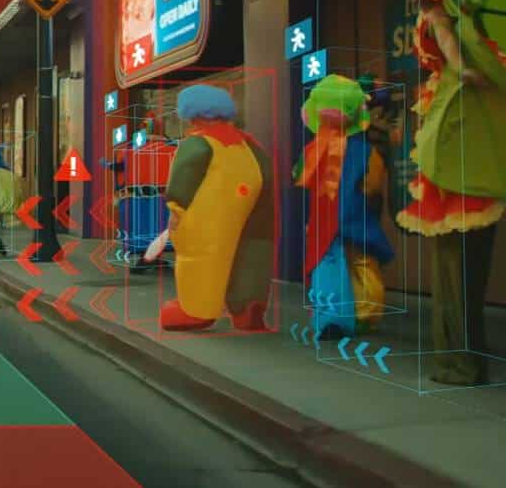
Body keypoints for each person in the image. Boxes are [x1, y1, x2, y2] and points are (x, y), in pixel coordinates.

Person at [374, 0, 506, 385]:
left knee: (456, 267)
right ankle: (461, 356)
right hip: (466, 143)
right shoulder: (467, 24)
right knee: (463, 266)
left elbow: (447, 43)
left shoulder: (447, 18)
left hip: (457, 148)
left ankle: (460, 360)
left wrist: (461, 69)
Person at [159, 84, 273, 331]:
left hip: (211, 211)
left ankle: (196, 310)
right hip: (254, 204)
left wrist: (175, 210)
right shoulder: (249, 145)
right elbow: (267, 175)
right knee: (250, 252)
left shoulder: (198, 143)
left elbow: (184, 178)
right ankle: (248, 306)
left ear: (192, 113)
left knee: (202, 251)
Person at [295, 74, 394, 339]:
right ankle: (365, 314)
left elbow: (302, 179)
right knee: (363, 262)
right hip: (356, 214)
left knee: (328, 261)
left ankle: (331, 313)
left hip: (323, 217)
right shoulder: (366, 150)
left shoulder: (312, 150)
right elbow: (373, 186)